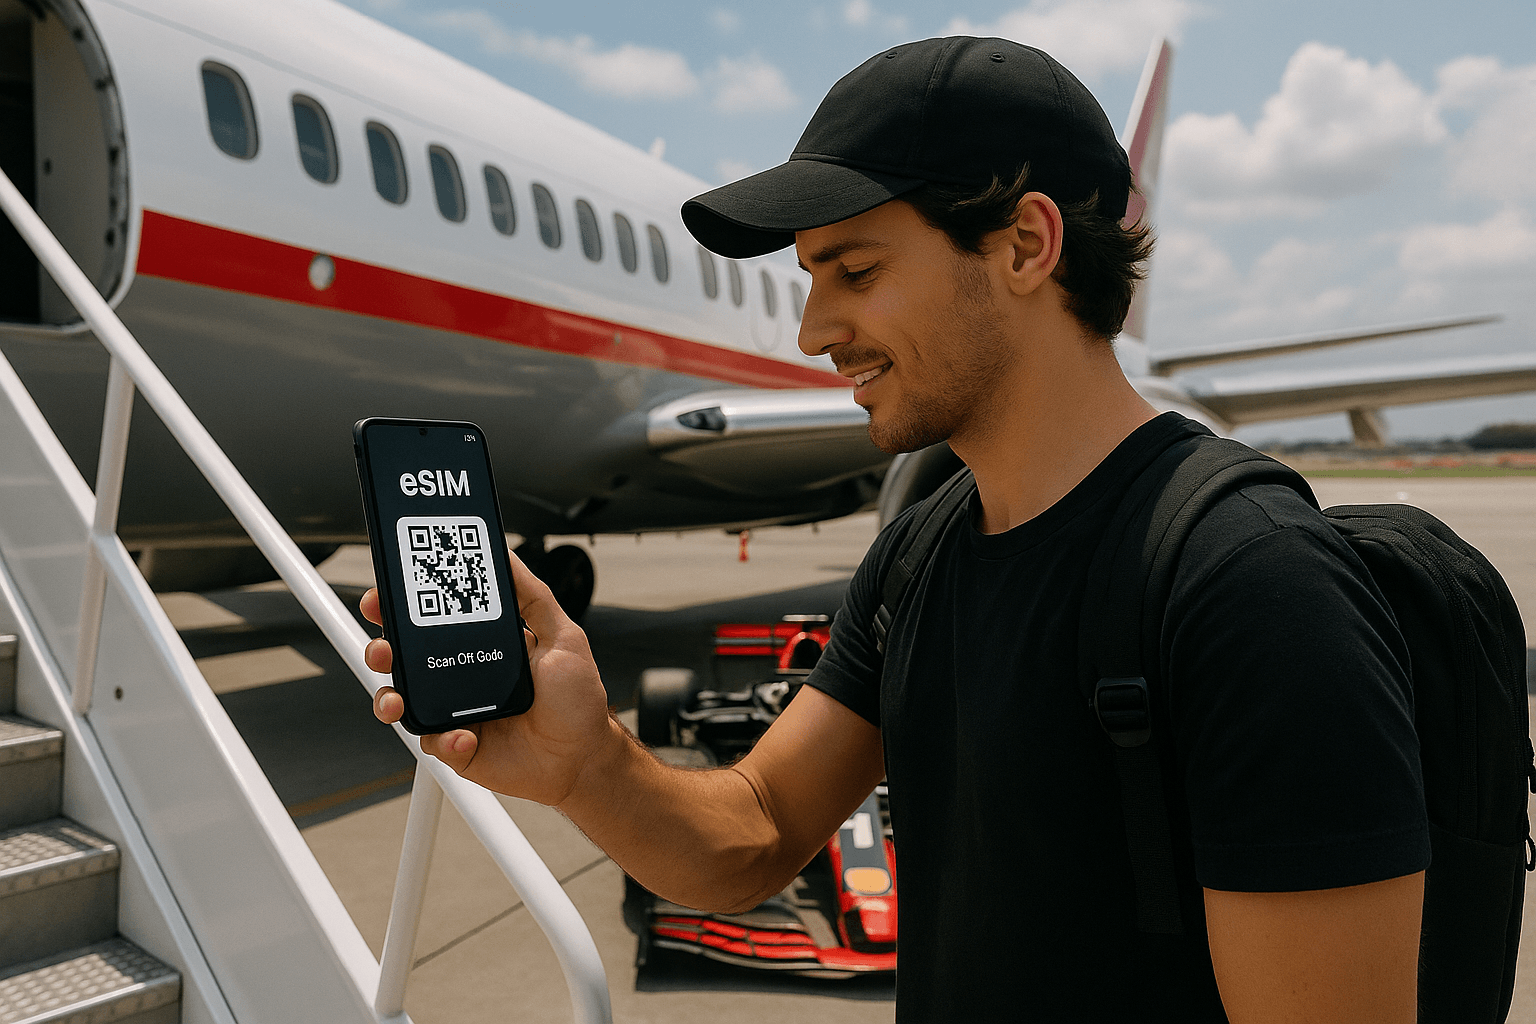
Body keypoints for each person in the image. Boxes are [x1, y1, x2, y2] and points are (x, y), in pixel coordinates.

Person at [363, 36, 1428, 1022]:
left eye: (856, 273)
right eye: (811, 278)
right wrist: (585, 762)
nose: (814, 331)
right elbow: (758, 833)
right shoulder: (922, 555)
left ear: (1024, 245)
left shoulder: (1254, 589)